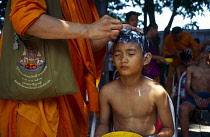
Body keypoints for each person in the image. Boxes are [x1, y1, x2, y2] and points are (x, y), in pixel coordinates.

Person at [0, 1, 141, 137]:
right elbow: (26, 20)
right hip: (37, 98)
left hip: (70, 92)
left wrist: (108, 33)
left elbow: (80, 47)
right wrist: (89, 29)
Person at [94, 27, 174, 137]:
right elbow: (103, 125)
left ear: (146, 59)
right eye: (117, 54)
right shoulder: (107, 91)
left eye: (130, 54)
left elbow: (168, 128)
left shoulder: (157, 91)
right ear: (113, 59)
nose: (123, 59)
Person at [179, 50, 210, 137]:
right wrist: (195, 96)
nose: (206, 52)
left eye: (207, 52)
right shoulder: (191, 69)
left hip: (209, 97)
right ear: (198, 56)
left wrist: (208, 99)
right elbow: (187, 87)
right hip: (194, 96)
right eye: (203, 52)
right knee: (183, 109)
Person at [162, 26, 199, 95]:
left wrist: (190, 49)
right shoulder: (168, 39)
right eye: (175, 37)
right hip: (174, 63)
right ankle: (168, 99)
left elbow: (196, 47)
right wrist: (175, 53)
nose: (177, 38)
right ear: (172, 35)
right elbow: (165, 54)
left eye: (179, 37)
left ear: (181, 33)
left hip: (188, 63)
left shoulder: (187, 36)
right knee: (170, 82)